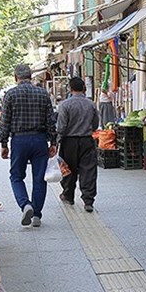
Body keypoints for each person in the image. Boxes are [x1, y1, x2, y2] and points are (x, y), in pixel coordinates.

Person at [0, 64, 57, 228]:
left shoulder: (10, 95)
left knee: (16, 176)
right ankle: (37, 215)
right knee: (39, 178)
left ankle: (25, 205)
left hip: (19, 140)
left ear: (15, 77)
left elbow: (5, 122)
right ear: (30, 77)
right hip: (39, 140)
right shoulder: (43, 93)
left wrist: (4, 144)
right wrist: (53, 142)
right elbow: (51, 121)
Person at [56, 77, 100, 213]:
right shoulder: (91, 104)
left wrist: (57, 141)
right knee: (88, 170)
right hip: (87, 140)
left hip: (69, 141)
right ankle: (88, 200)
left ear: (70, 89)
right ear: (84, 89)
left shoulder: (65, 105)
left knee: (68, 169)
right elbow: (95, 124)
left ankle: (68, 195)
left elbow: (61, 127)